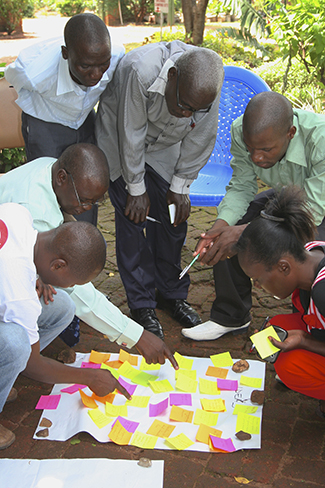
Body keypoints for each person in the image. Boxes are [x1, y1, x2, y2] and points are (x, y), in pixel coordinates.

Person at [0, 143, 178, 368]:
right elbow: (76, 291)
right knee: (60, 302)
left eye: (95, 202)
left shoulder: (49, 166)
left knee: (61, 303)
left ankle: (19, 362)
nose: (87, 208)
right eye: (83, 199)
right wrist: (136, 335)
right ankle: (14, 363)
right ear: (62, 178)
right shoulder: (38, 214)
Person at [96, 41, 224, 339]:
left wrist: (181, 185)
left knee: (173, 221)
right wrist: (136, 188)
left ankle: (170, 293)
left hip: (167, 145)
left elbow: (202, 136)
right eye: (182, 104)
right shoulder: (139, 71)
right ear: (173, 76)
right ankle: (141, 303)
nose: (186, 114)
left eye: (194, 109)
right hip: (120, 140)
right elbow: (131, 134)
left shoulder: (207, 85)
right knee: (133, 219)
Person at [182, 91, 325, 341]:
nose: (257, 158)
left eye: (266, 149)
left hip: (317, 205)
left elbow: (311, 210)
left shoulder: (320, 139)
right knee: (229, 231)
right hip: (287, 198)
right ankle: (231, 316)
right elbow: (242, 186)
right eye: (251, 149)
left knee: (303, 248)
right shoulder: (242, 131)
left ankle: (309, 320)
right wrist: (221, 227)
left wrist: (249, 231)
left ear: (290, 134)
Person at [0, 203, 132, 450]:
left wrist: (37, 277)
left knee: (61, 306)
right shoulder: (19, 294)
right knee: (16, 345)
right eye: (70, 280)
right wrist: (90, 377)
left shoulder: (17, 212)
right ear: (57, 265)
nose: (66, 286)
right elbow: (33, 364)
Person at [5, 12, 125, 225]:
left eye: (102, 65)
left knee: (86, 190)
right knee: (50, 193)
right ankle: (51, 244)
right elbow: (14, 82)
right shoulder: (33, 71)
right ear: (66, 53)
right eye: (86, 66)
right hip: (45, 124)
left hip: (84, 120)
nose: (96, 75)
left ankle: (83, 243)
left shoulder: (114, 56)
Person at [234, 186, 325, 416]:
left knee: (290, 366)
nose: (258, 286)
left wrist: (305, 341)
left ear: (283, 266)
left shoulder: (323, 292)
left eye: (259, 278)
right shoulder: (309, 252)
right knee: (279, 327)